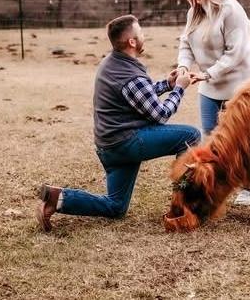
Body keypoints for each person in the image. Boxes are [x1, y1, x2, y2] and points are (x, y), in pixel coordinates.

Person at [36, 15, 200, 232]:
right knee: (191, 135)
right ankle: (183, 204)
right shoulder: (130, 75)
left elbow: (138, 95)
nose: (143, 36)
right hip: (126, 143)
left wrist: (167, 84)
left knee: (116, 206)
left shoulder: (112, 63)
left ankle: (57, 199)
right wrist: (179, 88)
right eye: (140, 32)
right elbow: (160, 115)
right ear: (132, 41)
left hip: (109, 147)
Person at [176, 0, 250, 206]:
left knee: (242, 138)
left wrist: (208, 74)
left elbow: (236, 52)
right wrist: (183, 66)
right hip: (209, 85)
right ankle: (215, 182)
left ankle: (248, 187)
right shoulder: (194, 12)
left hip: (240, 84)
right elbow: (185, 43)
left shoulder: (231, 11)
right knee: (209, 135)